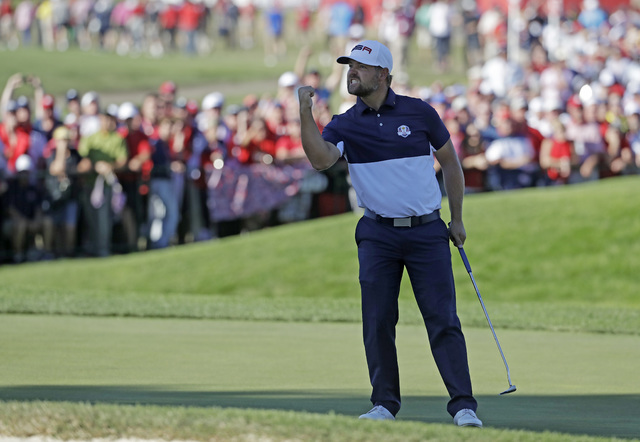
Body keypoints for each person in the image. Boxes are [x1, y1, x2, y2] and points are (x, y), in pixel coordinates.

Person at [298, 40, 482, 427]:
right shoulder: (345, 123)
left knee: (442, 318)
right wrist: (304, 113)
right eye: (349, 66)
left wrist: (457, 218)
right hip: (377, 234)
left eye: (361, 67)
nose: (352, 72)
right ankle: (384, 403)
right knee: (378, 319)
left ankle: (463, 405)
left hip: (427, 232)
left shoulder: (419, 112)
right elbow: (320, 159)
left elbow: (450, 162)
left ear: (383, 74)